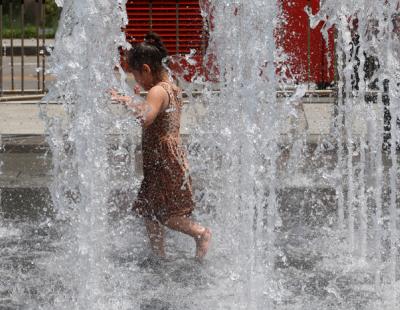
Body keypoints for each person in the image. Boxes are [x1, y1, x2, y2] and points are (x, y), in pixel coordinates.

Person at [110, 32, 211, 260]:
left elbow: (147, 117)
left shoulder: (156, 91)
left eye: (135, 75)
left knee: (164, 213)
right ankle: (159, 255)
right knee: (148, 208)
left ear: (146, 69)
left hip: (163, 159)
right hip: (163, 157)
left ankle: (200, 233)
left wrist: (129, 102)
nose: (135, 81)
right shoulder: (170, 87)